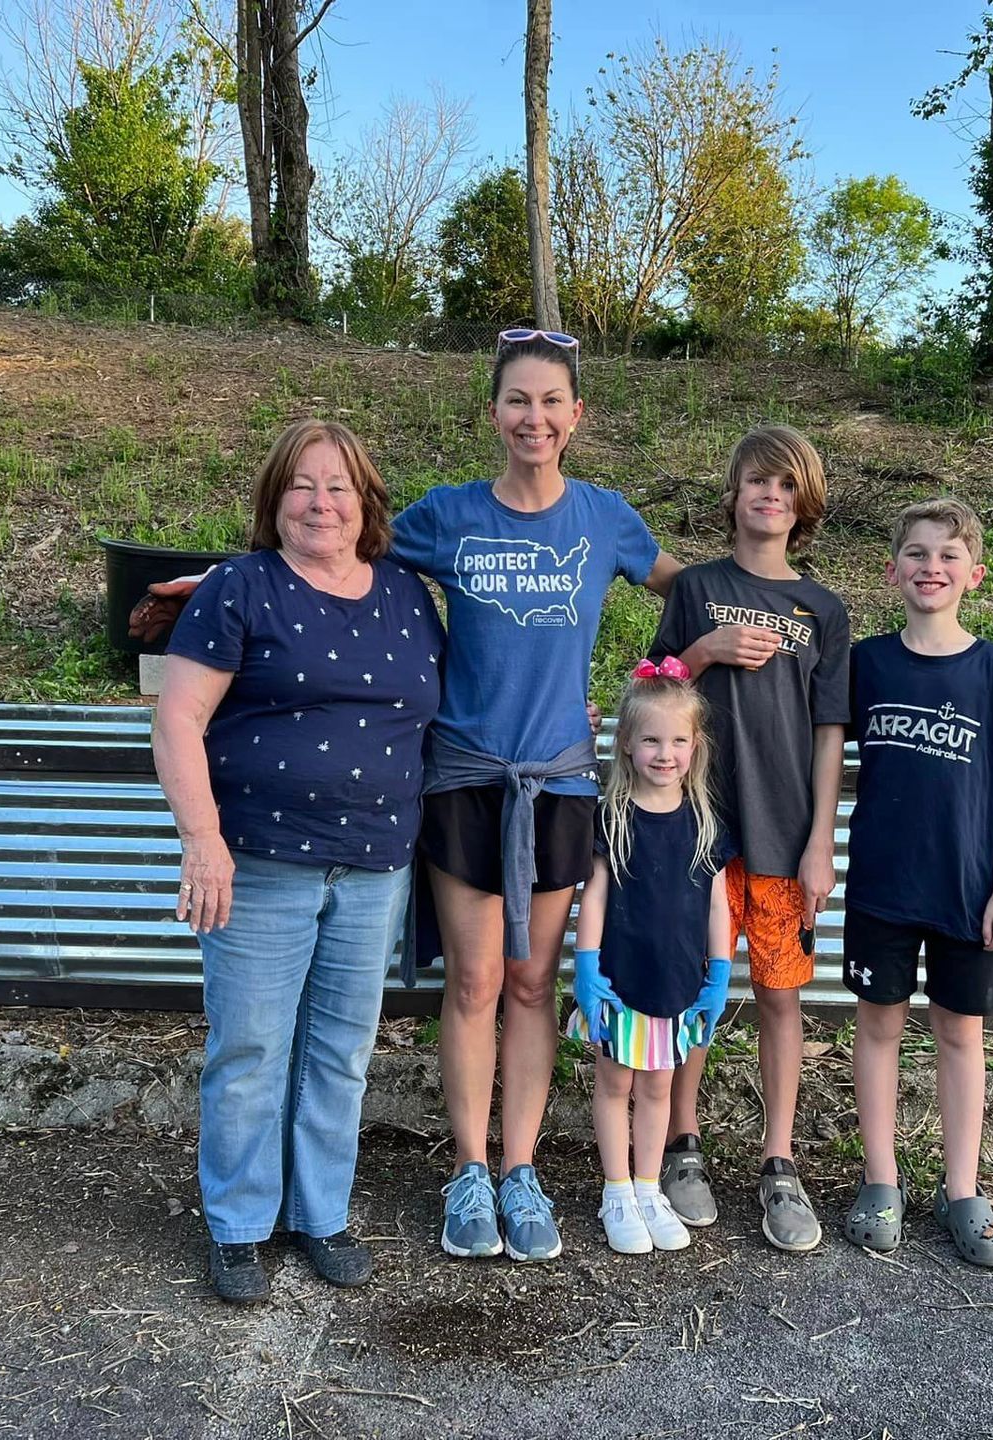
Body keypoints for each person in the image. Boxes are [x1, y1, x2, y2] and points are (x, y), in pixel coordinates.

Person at [388, 328, 684, 1263]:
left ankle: (522, 1172)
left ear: (576, 417)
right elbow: (347, 564)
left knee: (531, 984)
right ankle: (469, 1173)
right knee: (474, 982)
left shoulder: (603, 518)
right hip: (468, 778)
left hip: (558, 780)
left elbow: (688, 591)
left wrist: (697, 656)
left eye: (552, 401)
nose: (535, 417)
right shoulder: (448, 516)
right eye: (519, 399)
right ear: (494, 413)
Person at [151, 419, 445, 1304]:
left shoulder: (405, 595)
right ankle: (239, 1225)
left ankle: (321, 1213)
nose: (322, 503)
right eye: (302, 486)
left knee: (341, 1050)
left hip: (375, 864)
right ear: (273, 502)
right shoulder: (240, 590)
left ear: (367, 505)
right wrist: (200, 839)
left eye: (339, 487)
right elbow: (176, 721)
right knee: (249, 1048)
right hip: (259, 860)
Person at [646, 424, 850, 1254]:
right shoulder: (695, 588)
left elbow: (831, 731)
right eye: (757, 483)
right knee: (696, 987)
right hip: (697, 832)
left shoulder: (824, 609)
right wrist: (703, 649)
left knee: (778, 994)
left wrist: (819, 843)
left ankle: (779, 1159)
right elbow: (649, 694)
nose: (771, 496)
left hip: (783, 833)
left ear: (804, 507)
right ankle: (682, 1144)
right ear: (731, 497)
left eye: (787, 487)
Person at [839, 498, 993, 1269]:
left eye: (948, 556)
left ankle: (962, 1189)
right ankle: (881, 1181)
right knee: (880, 1026)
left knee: (961, 1032)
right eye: (918, 554)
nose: (932, 567)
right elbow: (824, 751)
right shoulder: (868, 662)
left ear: (974, 575)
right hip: (883, 886)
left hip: (967, 890)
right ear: (893, 570)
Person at [566, 660, 734, 1254]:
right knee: (615, 1083)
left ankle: (647, 1186)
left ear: (696, 745)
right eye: (652, 740)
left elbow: (717, 902)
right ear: (628, 745)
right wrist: (586, 970)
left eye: (678, 741)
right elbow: (594, 897)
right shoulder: (610, 817)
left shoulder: (706, 820)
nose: (666, 754)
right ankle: (616, 1189)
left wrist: (719, 975)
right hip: (621, 980)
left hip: (680, 983)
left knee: (660, 1087)